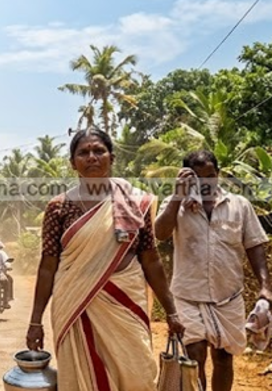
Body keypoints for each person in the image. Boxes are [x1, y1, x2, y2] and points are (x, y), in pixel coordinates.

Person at [26, 127, 184, 391]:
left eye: (98, 151)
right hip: (74, 303)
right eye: (83, 152)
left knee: (138, 374)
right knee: (81, 376)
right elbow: (48, 265)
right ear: (72, 163)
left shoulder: (135, 203)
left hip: (126, 302)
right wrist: (35, 321)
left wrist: (171, 311)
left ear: (112, 157)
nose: (91, 157)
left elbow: (151, 259)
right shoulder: (59, 207)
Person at [154, 150, 271, 391]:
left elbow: (255, 246)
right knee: (194, 356)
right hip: (188, 296)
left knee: (224, 358)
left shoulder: (239, 205)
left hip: (228, 297)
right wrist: (178, 195)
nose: (206, 182)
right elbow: (160, 233)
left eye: (211, 175)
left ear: (218, 174)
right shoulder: (175, 205)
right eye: (197, 177)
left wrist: (265, 288)